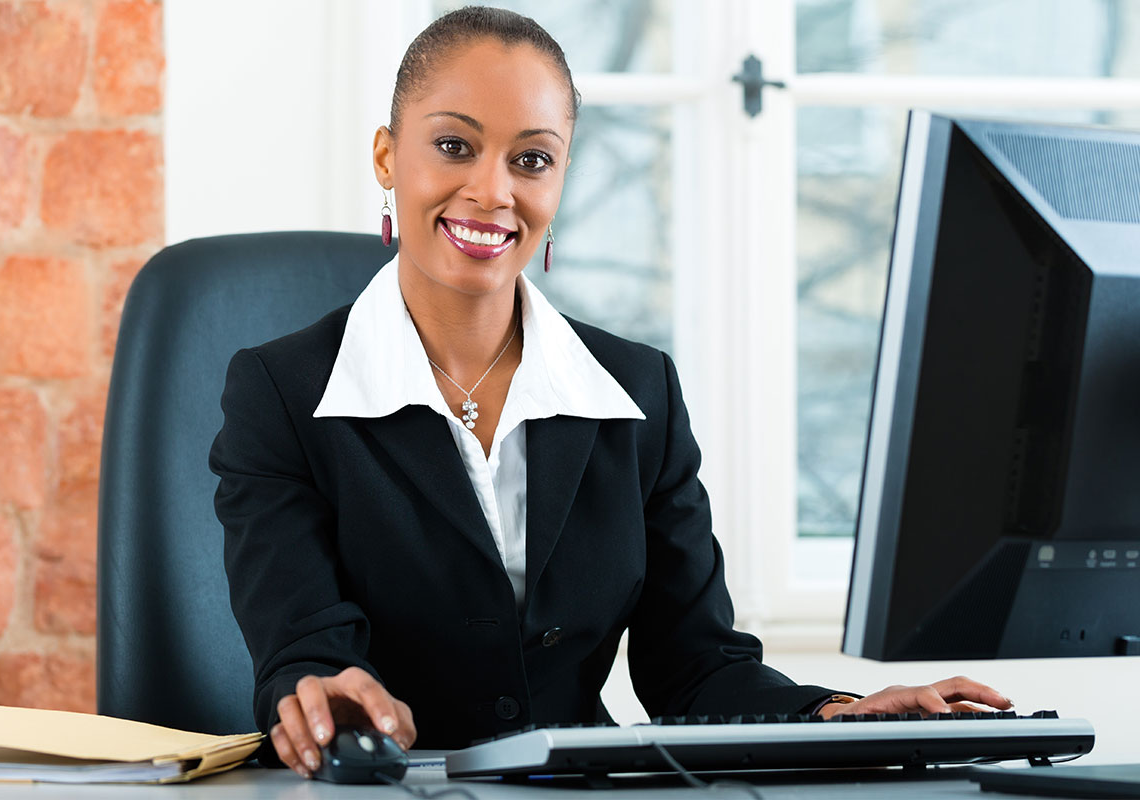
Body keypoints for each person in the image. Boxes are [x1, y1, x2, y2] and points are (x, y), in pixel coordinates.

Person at [209, 6, 1012, 780]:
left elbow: (696, 671)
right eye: (454, 145)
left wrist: (842, 718)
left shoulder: (635, 394)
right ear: (387, 156)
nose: (493, 191)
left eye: (532, 159)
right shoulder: (282, 393)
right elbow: (305, 651)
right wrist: (328, 700)